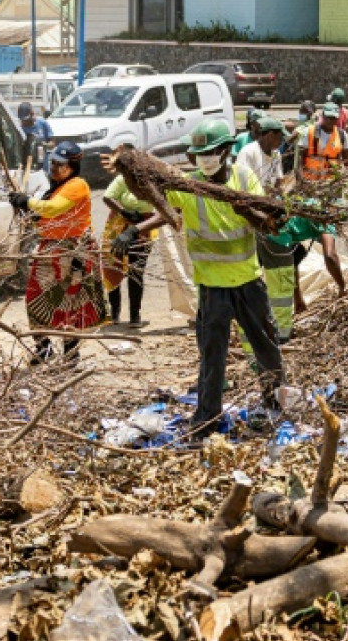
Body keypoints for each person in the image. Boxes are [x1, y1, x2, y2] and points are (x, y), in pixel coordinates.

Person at [113, 120, 284, 441]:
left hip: (248, 282)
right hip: (212, 288)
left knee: (265, 347)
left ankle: (275, 402)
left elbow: (265, 222)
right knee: (212, 354)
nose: (205, 159)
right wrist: (134, 230)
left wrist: (241, 204)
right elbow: (167, 211)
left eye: (211, 152)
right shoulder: (187, 186)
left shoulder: (244, 178)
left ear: (225, 151)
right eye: (200, 154)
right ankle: (207, 416)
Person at [9, 141, 107, 362]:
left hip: (72, 250)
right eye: (52, 162)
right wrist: (28, 211)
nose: (54, 167)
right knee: (36, 298)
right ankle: (43, 349)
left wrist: (28, 201)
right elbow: (44, 217)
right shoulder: (54, 188)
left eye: (60, 164)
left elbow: (53, 209)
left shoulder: (77, 185)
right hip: (50, 249)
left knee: (68, 302)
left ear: (72, 166)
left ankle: (71, 352)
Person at [236, 117, 296, 343]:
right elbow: (243, 189)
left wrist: (288, 192)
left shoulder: (276, 155)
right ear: (269, 134)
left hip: (269, 215)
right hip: (254, 217)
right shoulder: (249, 153)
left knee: (276, 269)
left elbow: (278, 183)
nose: (280, 142)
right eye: (279, 137)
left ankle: (279, 328)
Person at [102, 147, 156, 329]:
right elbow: (108, 197)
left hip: (144, 225)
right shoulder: (121, 178)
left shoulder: (150, 177)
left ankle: (135, 316)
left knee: (136, 271)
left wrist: (139, 220)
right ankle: (115, 312)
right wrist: (124, 212)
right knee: (111, 266)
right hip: (119, 223)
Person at [295, 101, 348, 189]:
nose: (330, 120)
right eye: (328, 117)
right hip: (310, 181)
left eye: (333, 118)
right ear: (322, 116)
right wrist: (300, 179)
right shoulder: (309, 132)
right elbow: (300, 158)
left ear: (337, 119)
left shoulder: (342, 135)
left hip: (332, 182)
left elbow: (347, 161)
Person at [17, 102, 55, 168]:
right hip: (27, 166)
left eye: (26, 119)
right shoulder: (19, 129)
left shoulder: (42, 123)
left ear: (32, 114)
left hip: (43, 166)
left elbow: (52, 143)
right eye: (22, 120)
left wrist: (44, 145)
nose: (24, 122)